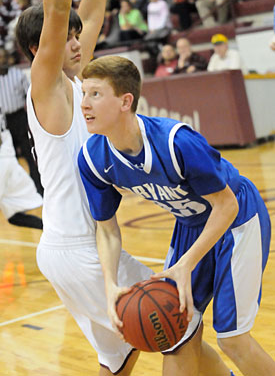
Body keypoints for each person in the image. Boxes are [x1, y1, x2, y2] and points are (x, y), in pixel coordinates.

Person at [78, 54, 275, 376]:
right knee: (176, 336)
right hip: (190, 225)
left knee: (232, 339)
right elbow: (108, 230)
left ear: (125, 101)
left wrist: (185, 265)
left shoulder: (175, 141)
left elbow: (226, 205)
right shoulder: (92, 158)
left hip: (238, 218)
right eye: (83, 94)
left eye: (95, 94)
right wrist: (110, 284)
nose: (84, 104)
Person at [15, 0, 153, 375]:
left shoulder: (75, 83)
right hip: (78, 247)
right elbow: (56, 9)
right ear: (40, 48)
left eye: (78, 37)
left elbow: (90, 14)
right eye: (67, 37)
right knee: (179, 320)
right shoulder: (46, 87)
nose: (76, 42)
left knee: (120, 358)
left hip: (71, 247)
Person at [0, 47, 43, 195]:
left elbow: (31, 98)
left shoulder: (18, 75)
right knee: (7, 159)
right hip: (3, 122)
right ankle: (13, 194)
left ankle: (38, 189)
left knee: (29, 155)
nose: (2, 61)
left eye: (4, 57)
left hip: (20, 118)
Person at [0, 109, 43, 229]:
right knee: (14, 216)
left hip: (3, 158)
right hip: (6, 152)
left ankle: (55, 229)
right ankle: (48, 228)